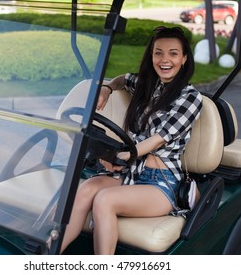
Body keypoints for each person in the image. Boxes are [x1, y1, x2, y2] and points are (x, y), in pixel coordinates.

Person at [60, 26, 203, 255]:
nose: (165, 59)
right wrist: (107, 88)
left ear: (184, 59)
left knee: (105, 200)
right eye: (158, 53)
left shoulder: (190, 98)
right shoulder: (148, 85)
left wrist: (121, 156)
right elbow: (122, 79)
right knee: (85, 190)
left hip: (162, 183)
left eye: (173, 53)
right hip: (130, 173)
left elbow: (157, 140)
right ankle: (48, 255)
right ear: (152, 56)